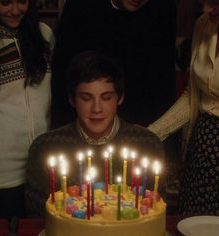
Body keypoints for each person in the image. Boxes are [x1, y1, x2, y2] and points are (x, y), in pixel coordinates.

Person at [25, 50, 164, 217]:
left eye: (106, 98)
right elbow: (39, 214)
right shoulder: (46, 147)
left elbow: (153, 210)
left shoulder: (146, 145)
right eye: (86, 98)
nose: (96, 109)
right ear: (72, 99)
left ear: (120, 98)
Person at [51, 0, 176, 128]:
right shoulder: (80, 7)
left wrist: (155, 132)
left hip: (141, 124)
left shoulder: (162, 10)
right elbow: (62, 77)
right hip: (84, 122)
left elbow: (164, 83)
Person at [0, 0, 54, 219]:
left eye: (22, 1)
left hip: (42, 166)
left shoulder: (45, 34)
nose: (15, 10)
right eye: (5, 2)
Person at [148, 0, 219, 215]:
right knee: (194, 222)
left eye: (215, 2)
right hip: (202, 149)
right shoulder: (203, 24)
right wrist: (151, 133)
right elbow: (191, 97)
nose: (206, 9)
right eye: (203, 1)